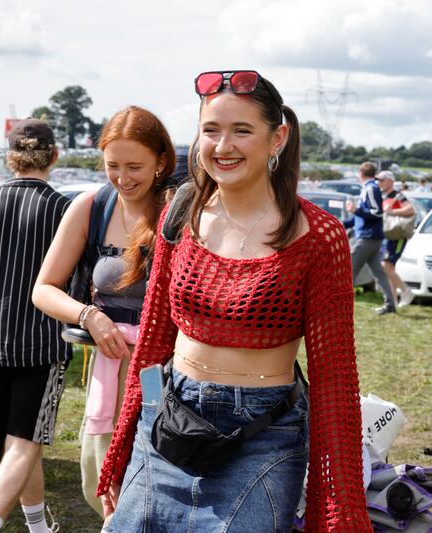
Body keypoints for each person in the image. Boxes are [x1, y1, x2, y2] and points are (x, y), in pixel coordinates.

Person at [95, 70, 370, 532]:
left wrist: (337, 503)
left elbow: (334, 377)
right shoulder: (180, 215)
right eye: (211, 130)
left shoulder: (320, 236)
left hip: (262, 435)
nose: (223, 146)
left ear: (277, 137)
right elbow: (154, 343)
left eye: (242, 130)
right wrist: (129, 439)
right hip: (168, 423)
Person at [32, 106, 176, 519]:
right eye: (113, 166)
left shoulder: (178, 211)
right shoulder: (91, 206)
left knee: (153, 460)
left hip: (159, 373)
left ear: (161, 162)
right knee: (101, 474)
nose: (123, 178)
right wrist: (88, 316)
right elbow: (43, 289)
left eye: (136, 166)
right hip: (109, 369)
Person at [0, 119, 70, 533]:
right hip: (40, 343)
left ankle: (39, 525)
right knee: (23, 443)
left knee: (19, 447)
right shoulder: (63, 209)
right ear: (54, 156)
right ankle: (36, 525)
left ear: (11, 158)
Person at [346, 161, 398, 315]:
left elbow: (377, 212)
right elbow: (362, 215)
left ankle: (339, 304)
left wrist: (356, 210)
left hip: (367, 238)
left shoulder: (370, 188)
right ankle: (390, 304)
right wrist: (343, 223)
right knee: (379, 274)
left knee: (348, 270)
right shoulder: (370, 188)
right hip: (372, 237)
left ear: (361, 173)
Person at [377, 170, 416, 308]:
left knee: (386, 266)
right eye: (379, 180)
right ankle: (391, 302)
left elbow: (410, 210)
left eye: (382, 180)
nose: (379, 183)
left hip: (397, 235)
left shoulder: (398, 196)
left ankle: (406, 291)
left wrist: (391, 212)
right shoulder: (382, 196)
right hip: (386, 235)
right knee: (388, 270)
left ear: (390, 181)